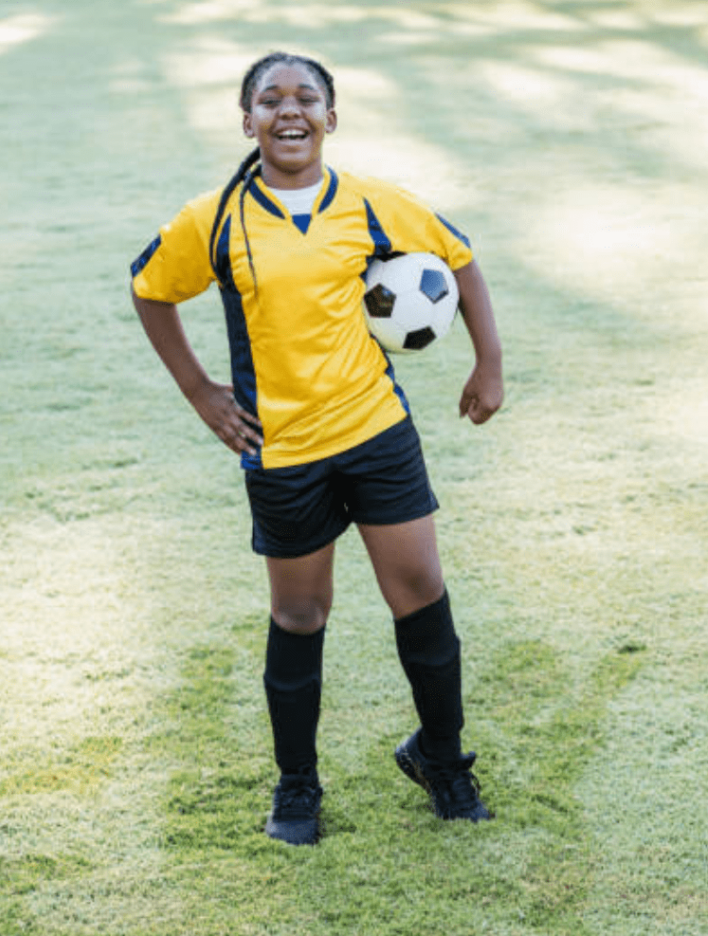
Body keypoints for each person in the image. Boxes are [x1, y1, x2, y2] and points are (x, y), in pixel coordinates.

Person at [130, 51, 504, 846]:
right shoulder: (216, 218)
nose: (289, 111)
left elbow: (459, 256)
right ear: (247, 121)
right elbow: (151, 287)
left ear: (332, 118)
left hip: (375, 432)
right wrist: (201, 391)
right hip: (284, 449)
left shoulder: (371, 203)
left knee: (421, 593)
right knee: (300, 613)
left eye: (308, 99)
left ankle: (443, 759)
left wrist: (489, 362)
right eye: (271, 100)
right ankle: (297, 786)